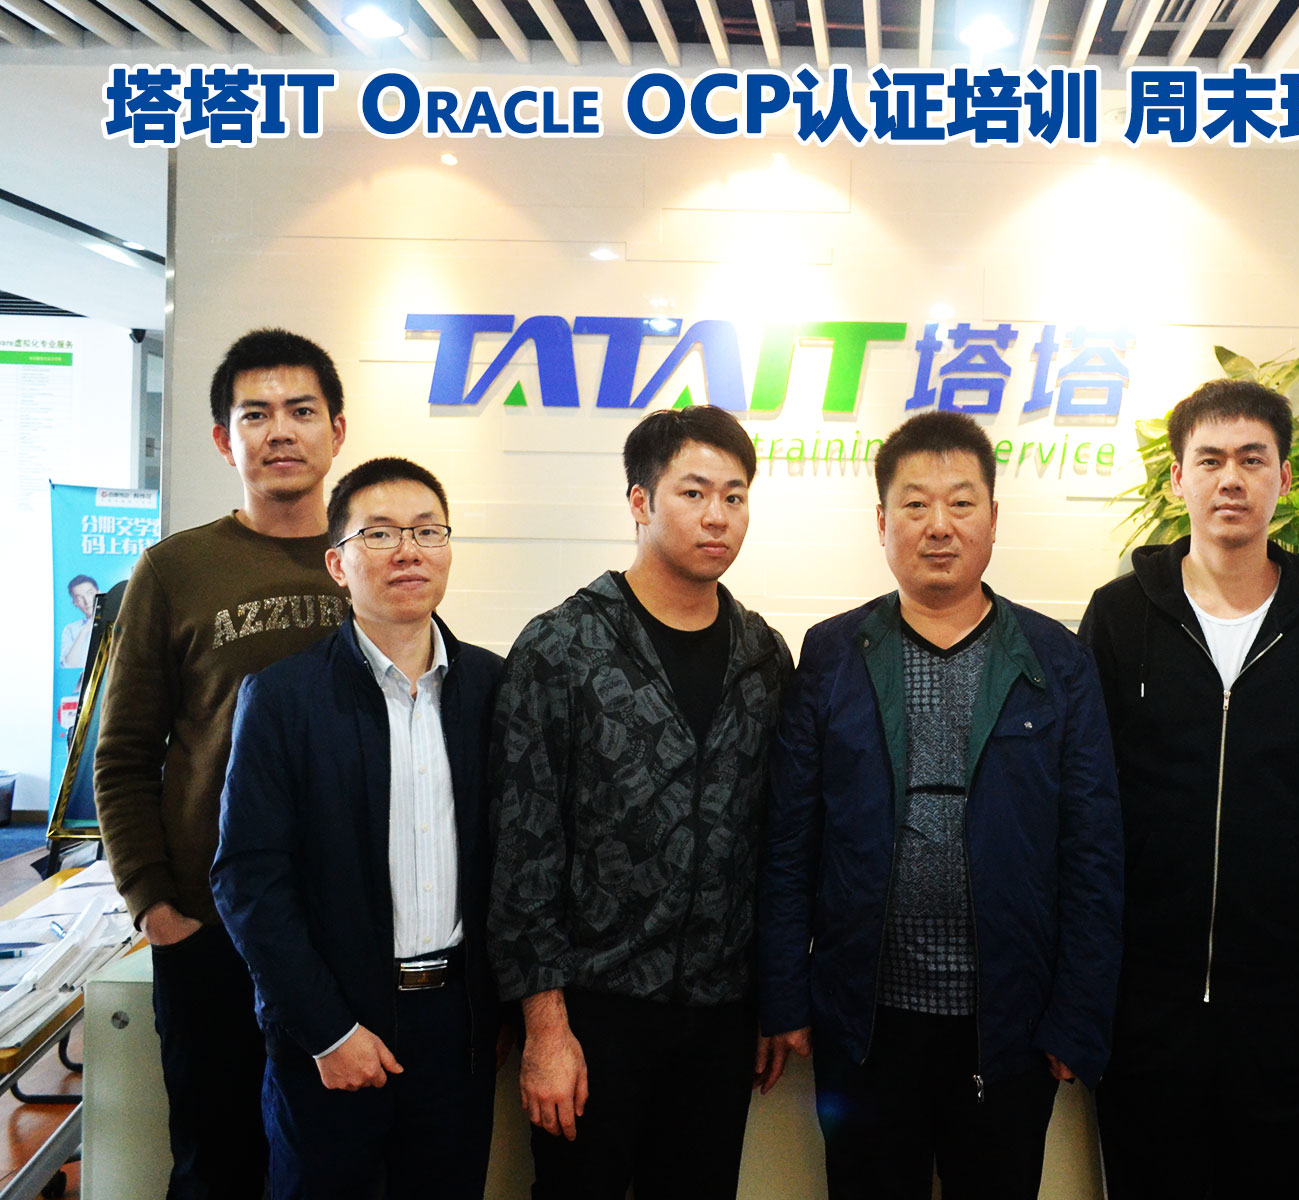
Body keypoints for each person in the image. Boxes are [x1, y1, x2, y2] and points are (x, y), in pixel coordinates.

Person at [758, 410, 1123, 1200]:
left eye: (961, 503)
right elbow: (790, 839)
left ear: (993, 518)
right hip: (864, 1021)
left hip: (1010, 1025)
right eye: (916, 505)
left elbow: (1093, 849)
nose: (939, 526)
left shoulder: (1056, 660)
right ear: (882, 522)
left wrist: (1077, 1015)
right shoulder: (832, 653)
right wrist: (785, 995)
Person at [1077, 379, 1299, 1198]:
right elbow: (1081, 812)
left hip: (1288, 1007)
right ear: (1177, 478)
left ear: (1284, 478)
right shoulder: (1119, 617)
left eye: (1253, 460)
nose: (1231, 479)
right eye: (1210, 460)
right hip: (1144, 1007)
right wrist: (1084, 988)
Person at [487, 405, 791, 1200]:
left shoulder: (763, 656)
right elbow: (523, 849)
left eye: (735, 496)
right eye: (694, 492)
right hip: (594, 1011)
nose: (717, 515)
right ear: (640, 500)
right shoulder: (562, 646)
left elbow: (774, 840)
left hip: (721, 1013)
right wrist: (544, 1028)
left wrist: (772, 996)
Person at [95, 327, 349, 1200]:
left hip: (342, 934)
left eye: (301, 411)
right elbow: (123, 754)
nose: (280, 431)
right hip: (211, 931)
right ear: (221, 439)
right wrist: (154, 904)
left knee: (333, 1167)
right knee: (216, 1164)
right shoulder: (174, 569)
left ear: (337, 430)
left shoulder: (371, 559)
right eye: (255, 414)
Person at [213, 457, 502, 1199]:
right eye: (380, 533)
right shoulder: (282, 698)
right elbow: (249, 880)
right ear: (338, 564)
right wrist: (327, 1030)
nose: (409, 551)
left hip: (458, 1026)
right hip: (332, 1022)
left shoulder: (495, 689)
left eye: (428, 531)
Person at [59, 574, 99, 668]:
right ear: (75, 603)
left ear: (99, 593)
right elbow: (68, 665)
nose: (87, 601)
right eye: (79, 597)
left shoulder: (117, 622)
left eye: (89, 593)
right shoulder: (70, 629)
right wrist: (84, 631)